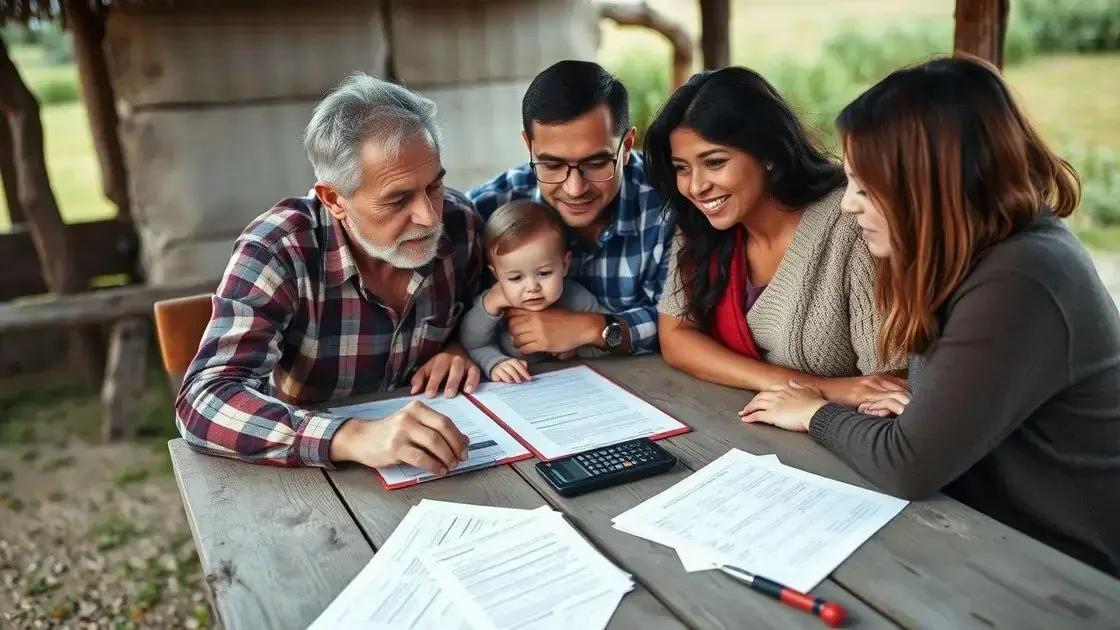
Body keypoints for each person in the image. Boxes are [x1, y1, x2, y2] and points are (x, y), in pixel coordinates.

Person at [740, 56, 1120, 574]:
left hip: (1069, 568)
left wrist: (813, 412)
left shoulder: (1021, 278)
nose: (849, 205)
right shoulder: (979, 253)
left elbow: (907, 466)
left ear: (927, 183)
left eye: (865, 186)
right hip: (993, 529)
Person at [176, 73, 484, 477]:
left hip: (443, 463)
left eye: (434, 187)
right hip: (316, 478)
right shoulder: (278, 249)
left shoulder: (461, 225)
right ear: (335, 199)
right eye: (398, 198)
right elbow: (203, 400)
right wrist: (350, 437)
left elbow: (487, 312)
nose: (429, 217)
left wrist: (462, 346)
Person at [644, 67, 905, 408]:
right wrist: (816, 387)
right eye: (682, 167)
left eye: (714, 162)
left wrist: (812, 399)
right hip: (737, 425)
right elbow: (676, 337)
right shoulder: (700, 223)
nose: (695, 186)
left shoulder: (851, 225)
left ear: (767, 152)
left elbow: (888, 385)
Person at [469, 60, 672, 357]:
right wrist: (456, 350)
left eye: (596, 163)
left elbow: (683, 327)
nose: (574, 189)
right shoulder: (488, 208)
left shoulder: (668, 207)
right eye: (552, 165)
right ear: (529, 146)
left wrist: (592, 328)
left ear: (627, 146)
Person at [460, 200, 604, 382]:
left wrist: (576, 346)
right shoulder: (494, 302)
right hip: (512, 388)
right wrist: (495, 362)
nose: (531, 287)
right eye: (515, 278)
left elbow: (602, 344)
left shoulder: (577, 298)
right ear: (496, 275)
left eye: (544, 273)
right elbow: (473, 344)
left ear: (565, 265)